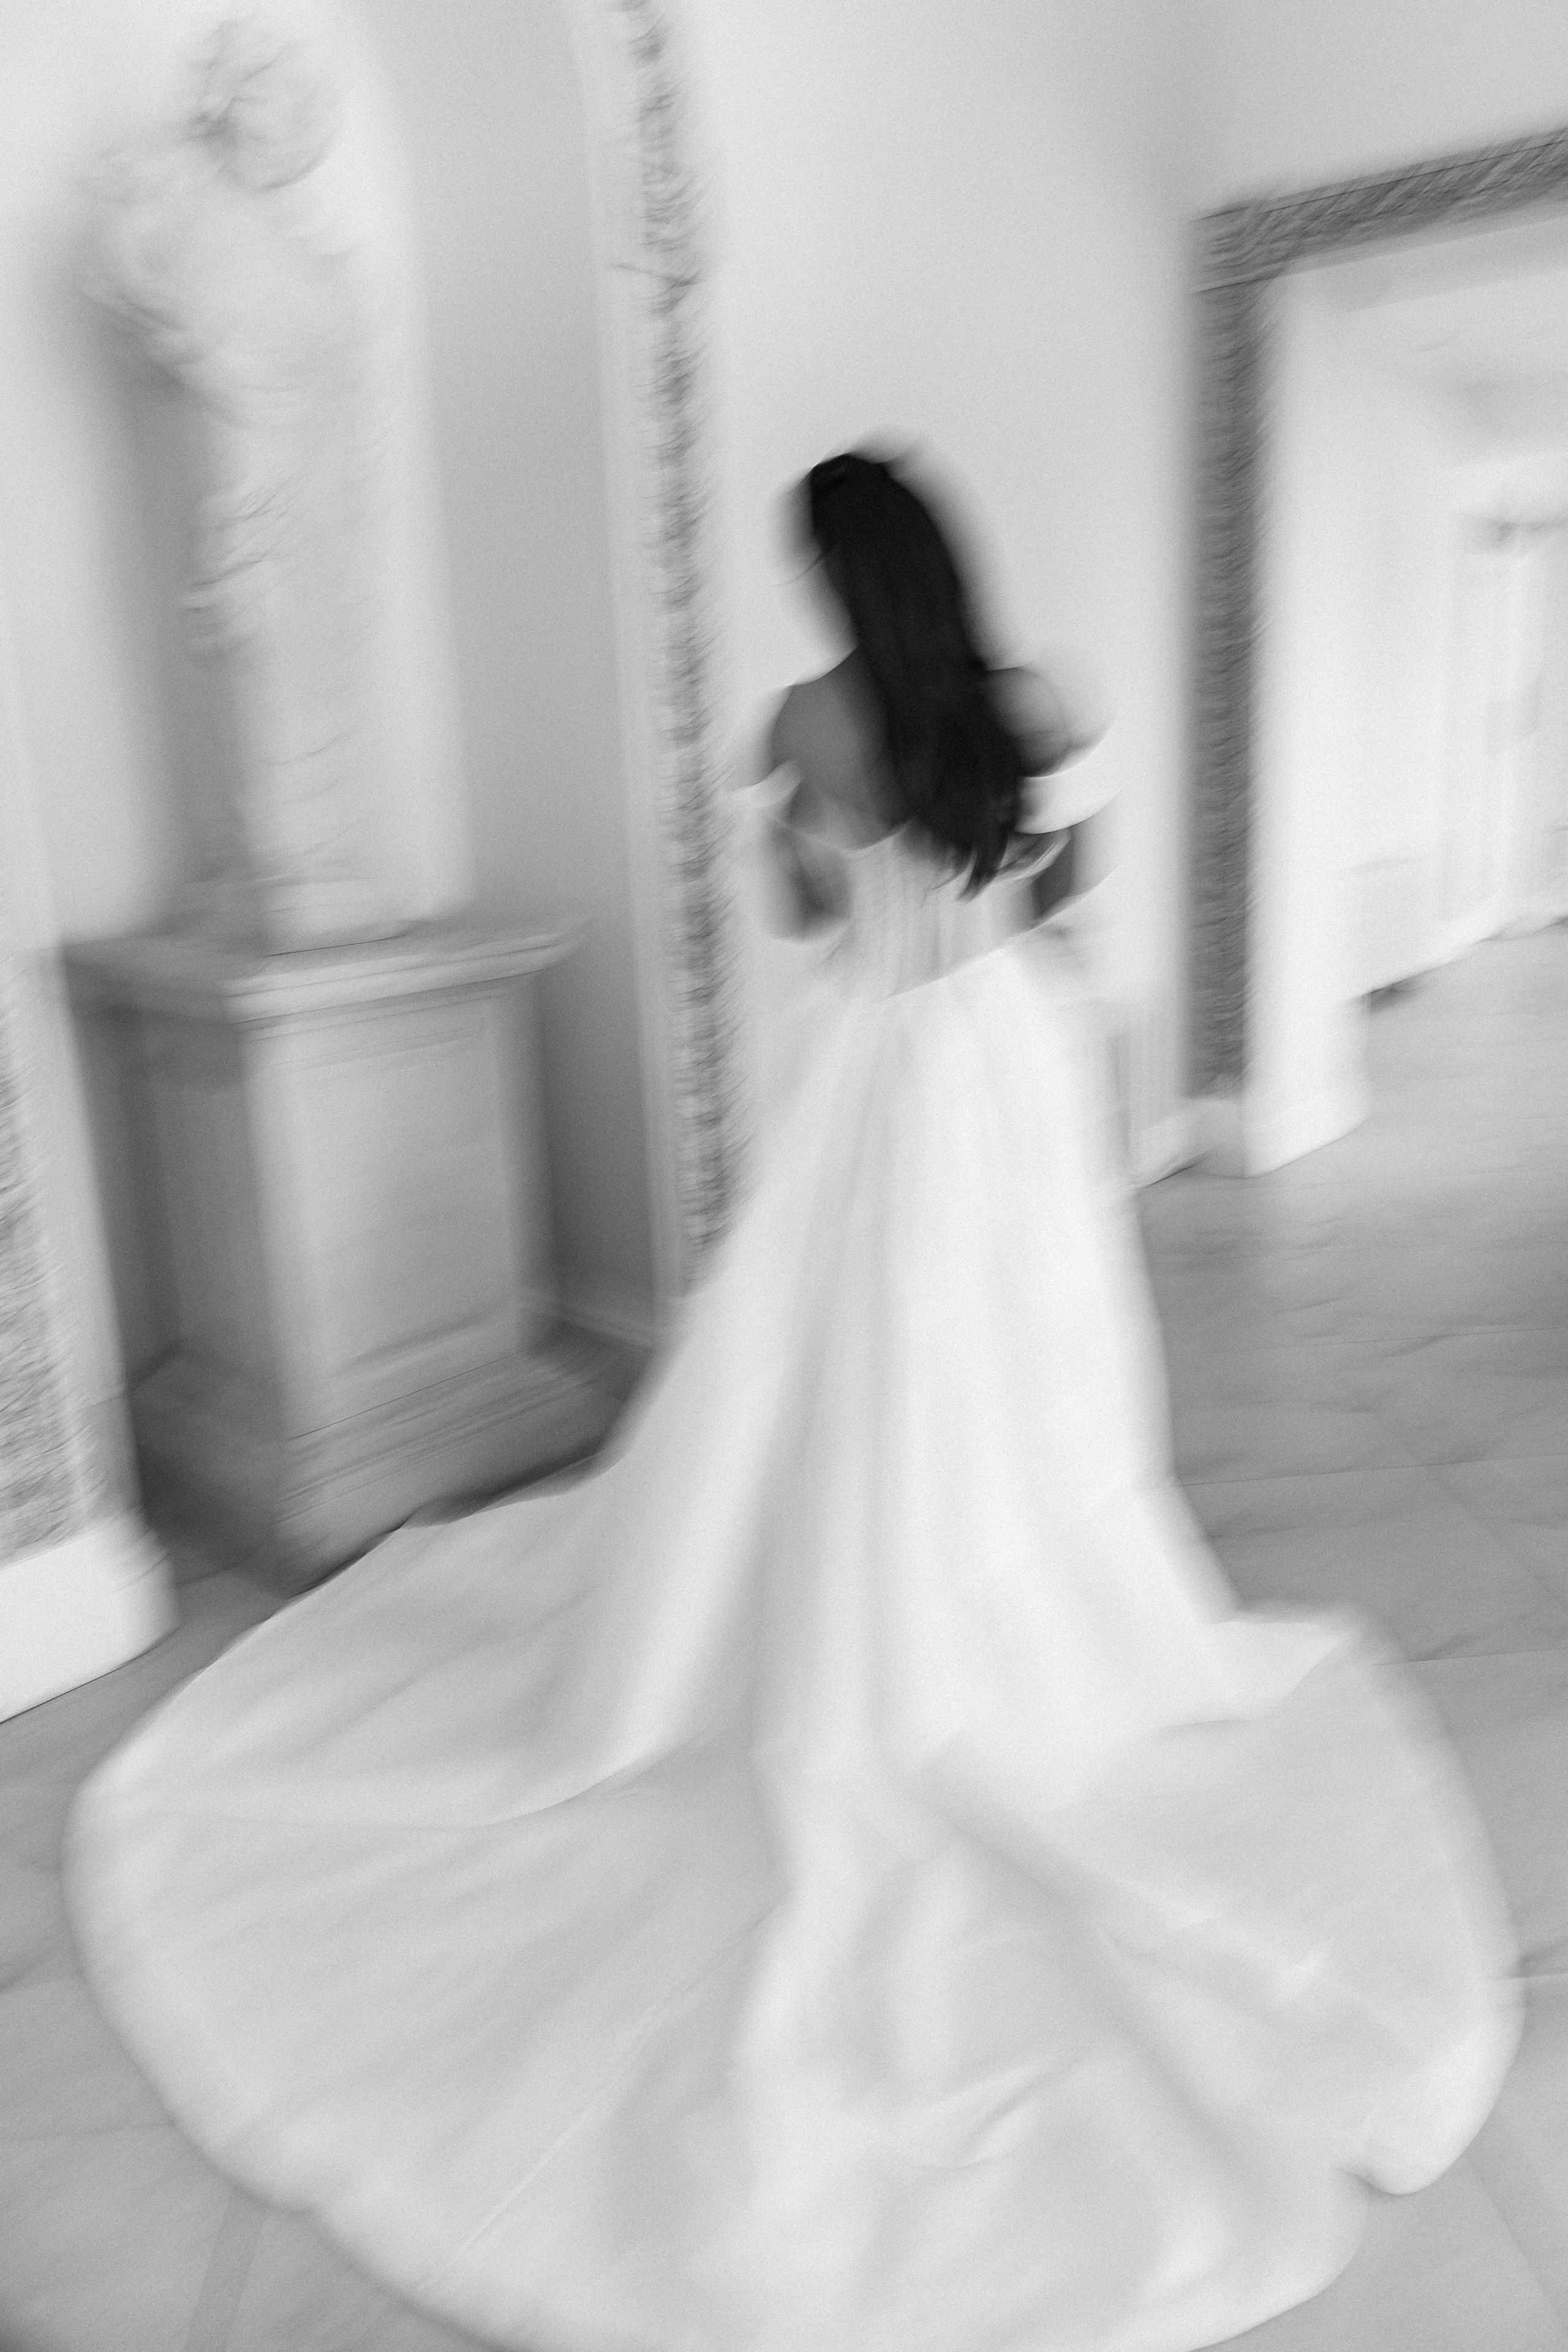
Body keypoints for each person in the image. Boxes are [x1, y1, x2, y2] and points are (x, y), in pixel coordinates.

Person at [66, 448, 1518, 2352]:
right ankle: (1013, 1619)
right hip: (1012, 1056)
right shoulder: (1041, 703)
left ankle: (846, 1625)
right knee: (1026, 1371)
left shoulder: (798, 718)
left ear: (830, 574)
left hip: (878, 1068)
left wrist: (818, 829)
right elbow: (1067, 879)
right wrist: (982, 874)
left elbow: (805, 921)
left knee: (837, 1362)